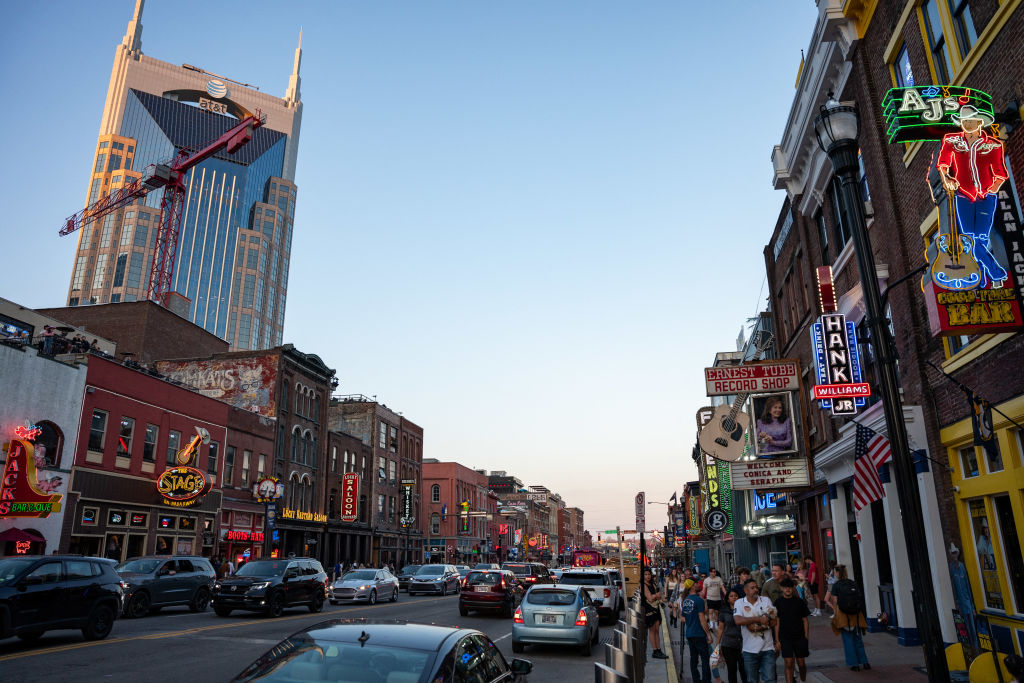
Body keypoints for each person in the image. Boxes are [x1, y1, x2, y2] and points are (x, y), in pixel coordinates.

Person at [936, 104, 1009, 289]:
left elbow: (1000, 174)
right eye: (964, 121)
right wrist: (947, 179)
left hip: (986, 198)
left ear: (979, 122)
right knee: (970, 241)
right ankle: (994, 276)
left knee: (979, 241)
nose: (967, 124)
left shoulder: (992, 145)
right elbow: (943, 164)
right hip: (963, 197)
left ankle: (983, 279)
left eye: (971, 121)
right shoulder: (951, 141)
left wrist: (991, 190)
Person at [827, 564, 870, 672]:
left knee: (848, 640)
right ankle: (865, 662)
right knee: (858, 639)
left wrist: (836, 614)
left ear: (837, 573)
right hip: (856, 615)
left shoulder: (836, 585)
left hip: (844, 615)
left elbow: (835, 601)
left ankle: (854, 664)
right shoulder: (852, 582)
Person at [734, 578, 777, 683]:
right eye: (752, 588)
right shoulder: (739, 603)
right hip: (749, 650)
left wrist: (757, 627)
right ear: (746, 591)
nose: (756, 590)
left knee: (770, 680)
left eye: (756, 587)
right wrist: (759, 619)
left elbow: (773, 621)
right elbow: (738, 620)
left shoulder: (766, 600)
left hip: (767, 649)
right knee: (752, 680)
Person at [773, 578, 810, 683]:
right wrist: (777, 640)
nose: (787, 589)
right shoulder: (778, 602)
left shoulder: (799, 602)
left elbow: (805, 620)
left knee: (801, 663)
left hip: (799, 637)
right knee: (788, 663)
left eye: (789, 587)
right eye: (785, 587)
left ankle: (803, 680)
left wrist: (806, 637)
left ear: (792, 588)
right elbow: (777, 622)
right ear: (781, 588)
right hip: (785, 637)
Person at [682, 578, 714, 683]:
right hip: (699, 633)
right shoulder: (699, 600)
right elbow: (702, 619)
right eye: (696, 583)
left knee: (693, 658)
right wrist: (709, 634)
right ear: (692, 586)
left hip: (690, 633)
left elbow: (683, 618)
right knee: (705, 659)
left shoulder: (686, 600)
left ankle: (696, 679)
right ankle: (706, 680)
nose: (698, 584)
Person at [715, 588, 749, 683]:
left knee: (744, 670)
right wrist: (718, 645)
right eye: (731, 596)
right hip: (728, 644)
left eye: (736, 596)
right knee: (732, 670)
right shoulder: (723, 611)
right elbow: (720, 628)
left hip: (743, 644)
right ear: (727, 599)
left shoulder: (744, 609)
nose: (734, 598)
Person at [643, 568, 669, 659]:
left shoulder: (653, 583)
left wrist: (660, 597)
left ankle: (659, 649)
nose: (647, 576)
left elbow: (658, 596)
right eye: (645, 574)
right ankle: (655, 650)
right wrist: (656, 596)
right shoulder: (643, 585)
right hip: (649, 609)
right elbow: (650, 598)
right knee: (652, 630)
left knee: (657, 630)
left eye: (649, 574)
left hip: (656, 608)